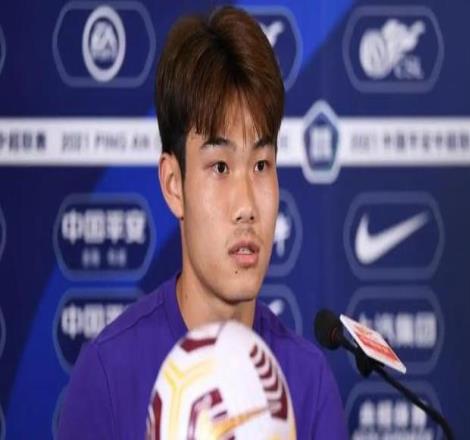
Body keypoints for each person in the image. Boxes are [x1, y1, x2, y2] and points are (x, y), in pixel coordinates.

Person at [58, 6, 348, 439]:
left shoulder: (309, 382)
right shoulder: (108, 375)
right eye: (220, 167)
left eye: (262, 165)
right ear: (174, 184)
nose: (246, 205)